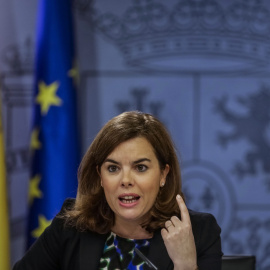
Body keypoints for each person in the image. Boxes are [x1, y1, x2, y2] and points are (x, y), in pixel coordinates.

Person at [13, 111, 222, 270]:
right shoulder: (71, 225)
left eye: (140, 168)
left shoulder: (198, 232)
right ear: (100, 177)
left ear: (163, 174)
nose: (126, 180)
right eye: (113, 168)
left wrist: (185, 266)